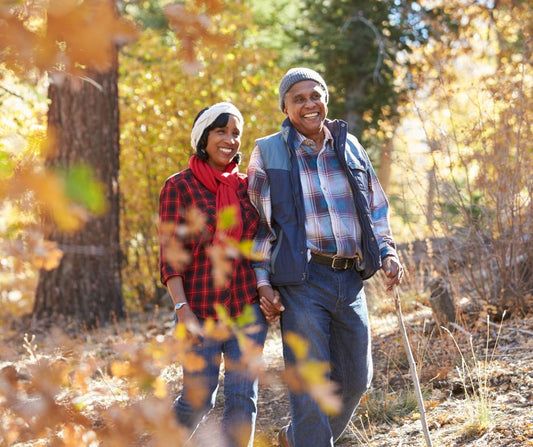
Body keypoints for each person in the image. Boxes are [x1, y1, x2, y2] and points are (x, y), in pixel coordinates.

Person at [247, 68, 404, 446]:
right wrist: (263, 281)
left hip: (349, 278)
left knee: (354, 380)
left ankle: (296, 438)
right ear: (285, 107)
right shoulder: (268, 151)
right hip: (302, 279)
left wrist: (387, 251)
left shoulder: (349, 147)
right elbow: (258, 226)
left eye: (314, 95)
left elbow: (375, 208)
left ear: (326, 99)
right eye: (298, 98)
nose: (309, 104)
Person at [159, 102, 268, 447]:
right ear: (203, 137)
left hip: (246, 309)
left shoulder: (248, 187)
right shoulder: (179, 186)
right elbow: (171, 257)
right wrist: (182, 310)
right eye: (221, 131)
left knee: (242, 398)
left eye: (236, 133)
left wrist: (268, 288)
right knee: (198, 399)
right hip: (200, 312)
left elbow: (261, 243)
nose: (231, 140)